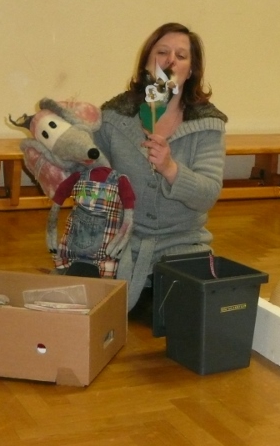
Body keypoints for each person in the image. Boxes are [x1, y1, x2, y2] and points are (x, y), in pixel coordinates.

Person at [94, 23, 227, 312]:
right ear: (146, 64)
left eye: (181, 56)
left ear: (191, 71)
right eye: (162, 52)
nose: (170, 61)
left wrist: (170, 168)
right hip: (122, 245)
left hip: (183, 246)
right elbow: (89, 167)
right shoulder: (115, 117)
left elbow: (207, 195)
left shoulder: (207, 124)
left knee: (182, 316)